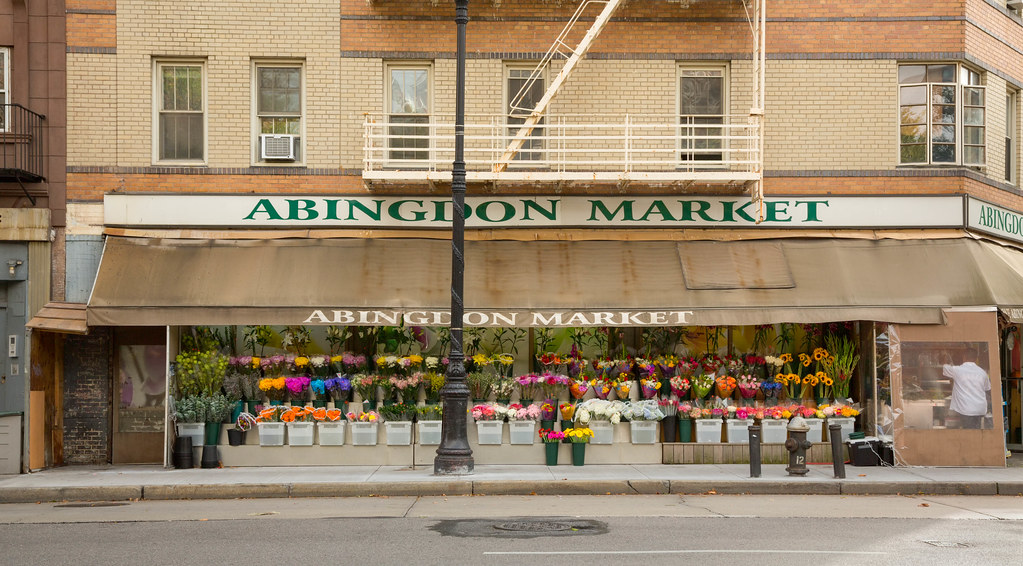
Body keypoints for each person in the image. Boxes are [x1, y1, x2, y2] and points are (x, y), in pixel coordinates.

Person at [941, 348, 992, 429]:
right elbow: (988, 389)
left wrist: (945, 358)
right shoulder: (983, 373)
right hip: (980, 409)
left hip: (966, 409)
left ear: (964, 357)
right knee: (976, 430)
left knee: (969, 432)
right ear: (976, 359)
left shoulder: (957, 370)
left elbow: (945, 367)